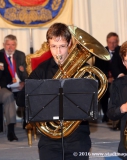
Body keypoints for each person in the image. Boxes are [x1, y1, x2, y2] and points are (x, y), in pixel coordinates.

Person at [28, 23, 91, 160]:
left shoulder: (83, 69)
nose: (58, 52)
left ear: (69, 44)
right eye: (53, 47)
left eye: (62, 46)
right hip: (50, 137)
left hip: (77, 134)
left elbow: (94, 102)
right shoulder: (42, 70)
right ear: (48, 45)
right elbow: (23, 99)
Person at [0, 34, 28, 129]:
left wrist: (23, 81)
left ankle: (26, 121)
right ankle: (0, 123)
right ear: (3, 45)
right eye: (8, 44)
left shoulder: (20, 55)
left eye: (13, 45)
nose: (10, 47)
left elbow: (25, 74)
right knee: (1, 94)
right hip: (4, 85)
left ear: (16, 45)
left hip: (18, 85)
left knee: (28, 92)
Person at [94, 32, 119, 123]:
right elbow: (98, 69)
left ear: (118, 42)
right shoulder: (101, 52)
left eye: (114, 42)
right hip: (105, 80)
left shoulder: (121, 52)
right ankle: (106, 114)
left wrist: (116, 78)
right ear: (107, 42)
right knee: (103, 89)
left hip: (118, 80)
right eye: (110, 42)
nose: (112, 44)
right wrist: (107, 79)